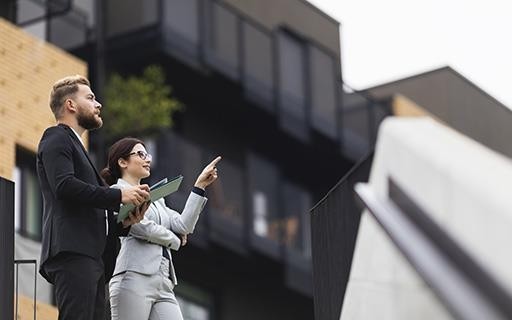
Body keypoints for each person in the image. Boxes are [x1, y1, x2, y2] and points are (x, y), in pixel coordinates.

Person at [36, 75, 151, 320]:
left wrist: (124, 224)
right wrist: (118, 194)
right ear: (70, 105)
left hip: (93, 257)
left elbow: (91, 207)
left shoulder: (78, 147)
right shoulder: (55, 137)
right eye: (90, 98)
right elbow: (64, 186)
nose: (98, 104)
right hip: (74, 250)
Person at [100, 137, 221, 320]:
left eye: (147, 154)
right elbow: (141, 227)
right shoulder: (118, 192)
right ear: (123, 162)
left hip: (164, 281)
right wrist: (175, 239)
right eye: (141, 154)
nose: (147, 159)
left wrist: (199, 186)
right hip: (134, 276)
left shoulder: (156, 198)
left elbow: (183, 225)